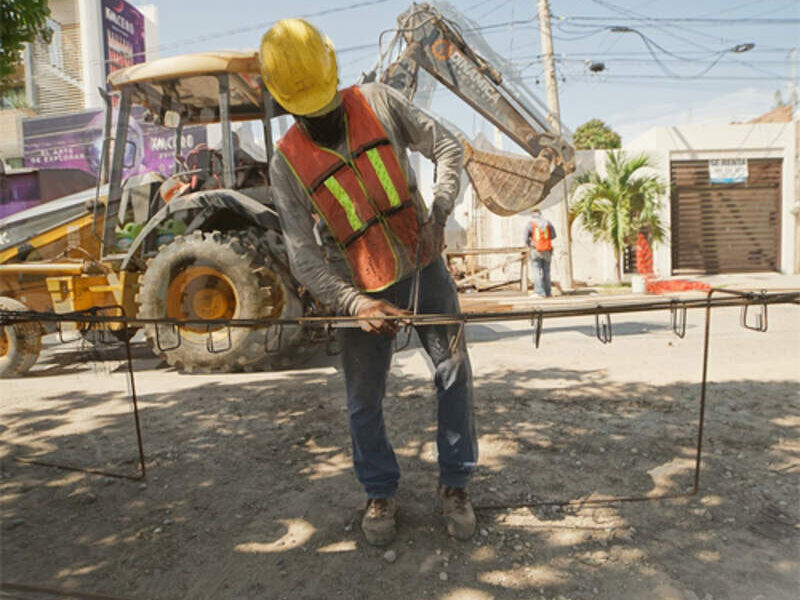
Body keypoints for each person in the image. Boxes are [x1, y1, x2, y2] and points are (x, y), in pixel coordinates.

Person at [260, 19, 478, 546]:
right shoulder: (286, 165)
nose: (321, 117)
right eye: (305, 109)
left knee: (453, 372)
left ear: (335, 78)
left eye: (324, 103)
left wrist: (440, 211)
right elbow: (303, 256)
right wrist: (354, 302)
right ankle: (379, 491)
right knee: (363, 399)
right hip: (355, 290)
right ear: (285, 104)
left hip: (423, 265)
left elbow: (450, 147)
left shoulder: (380, 101)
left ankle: (456, 485)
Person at [524, 210, 556, 297]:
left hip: (535, 250)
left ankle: (539, 292)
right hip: (547, 250)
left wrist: (530, 244)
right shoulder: (548, 223)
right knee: (547, 271)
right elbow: (553, 235)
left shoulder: (530, 224)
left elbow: (526, 238)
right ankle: (548, 292)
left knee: (536, 271)